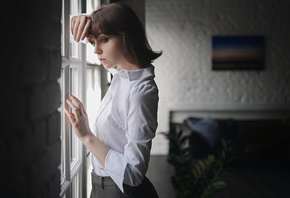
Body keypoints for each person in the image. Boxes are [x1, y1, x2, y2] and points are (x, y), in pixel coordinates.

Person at [65, 2, 162, 198]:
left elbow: (134, 174)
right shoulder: (121, 73)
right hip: (100, 186)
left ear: (127, 36)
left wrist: (86, 136)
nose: (96, 50)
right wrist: (80, 20)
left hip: (119, 191)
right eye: (94, 42)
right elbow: (84, 35)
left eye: (103, 40)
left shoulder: (141, 91)